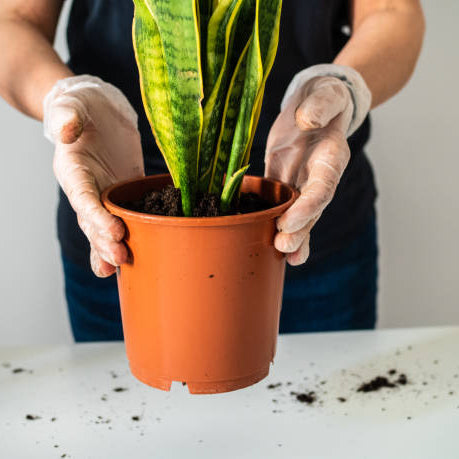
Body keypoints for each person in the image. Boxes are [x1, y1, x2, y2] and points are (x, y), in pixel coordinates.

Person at [0, 1, 425, 341]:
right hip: (117, 226)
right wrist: (63, 97)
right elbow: (13, 19)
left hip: (311, 212)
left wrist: (344, 86)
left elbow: (391, 11)